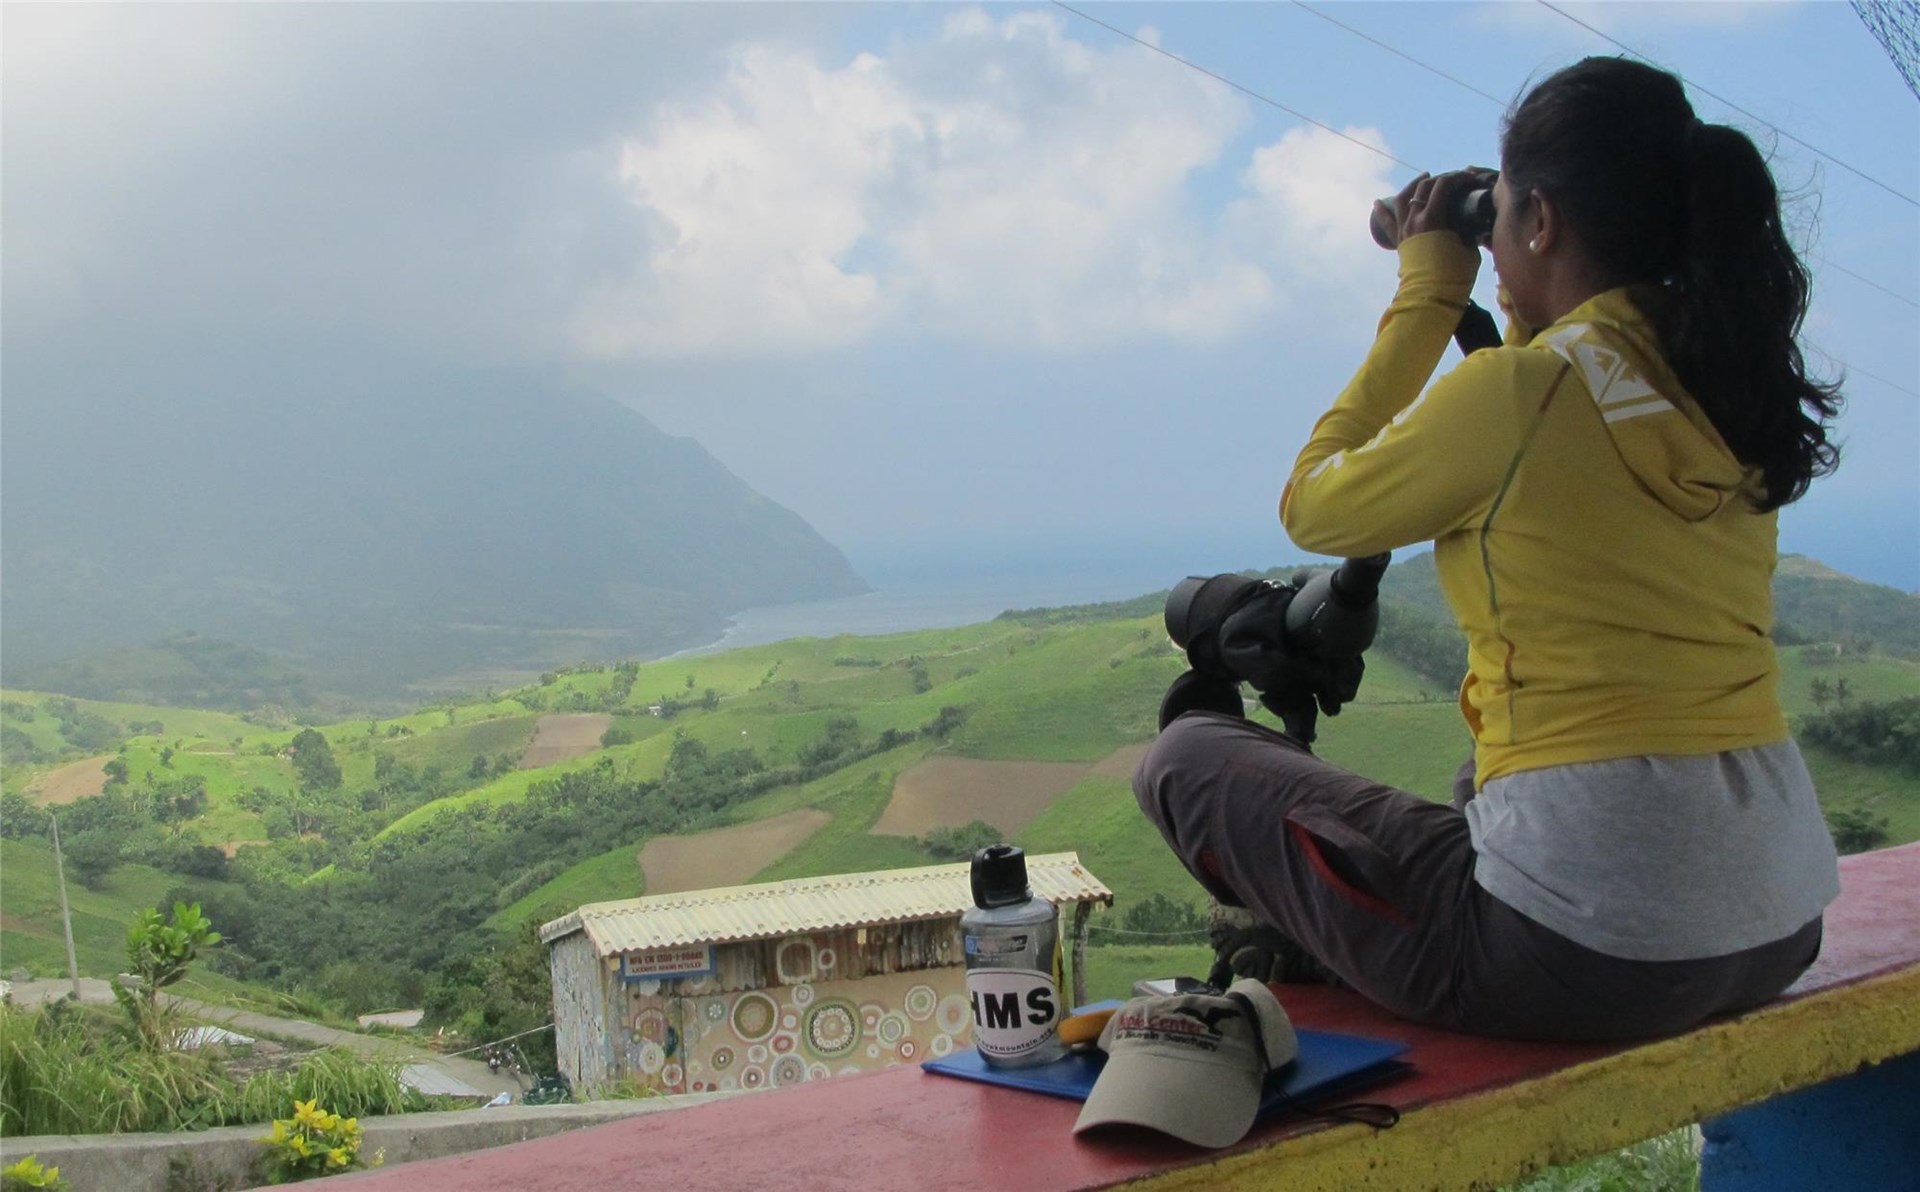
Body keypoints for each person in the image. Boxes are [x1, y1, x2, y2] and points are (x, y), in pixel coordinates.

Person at [1135, 56, 1844, 1042]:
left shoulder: (1520, 394)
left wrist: (1428, 290)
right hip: (1779, 920)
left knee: (1187, 758)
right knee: (1485, 777)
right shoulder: (1723, 381)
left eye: (1509, 218)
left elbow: (1316, 501)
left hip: (1591, 958)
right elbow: (1566, 374)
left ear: (1544, 222)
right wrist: (1511, 249)